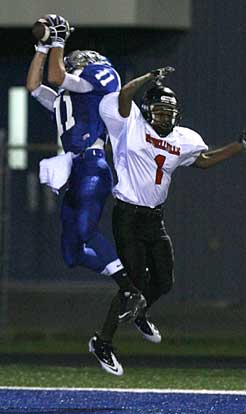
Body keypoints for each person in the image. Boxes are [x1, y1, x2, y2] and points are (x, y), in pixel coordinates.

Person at [87, 67, 246, 375]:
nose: (164, 117)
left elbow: (204, 162)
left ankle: (140, 312)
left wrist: (240, 146)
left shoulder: (185, 139)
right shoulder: (131, 123)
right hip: (128, 214)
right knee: (134, 284)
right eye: (158, 111)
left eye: (168, 112)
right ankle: (103, 341)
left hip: (154, 218)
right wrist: (149, 77)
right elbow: (126, 94)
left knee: (164, 281)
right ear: (147, 111)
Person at [26, 14, 147, 373]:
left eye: (83, 59)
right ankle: (127, 287)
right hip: (75, 170)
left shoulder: (96, 82)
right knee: (71, 251)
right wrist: (42, 46)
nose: (78, 61)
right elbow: (36, 85)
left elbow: (58, 75)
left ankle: (129, 288)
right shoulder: (69, 97)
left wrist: (58, 42)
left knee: (83, 233)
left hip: (92, 165)